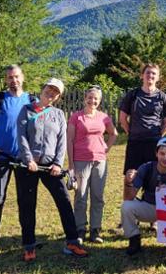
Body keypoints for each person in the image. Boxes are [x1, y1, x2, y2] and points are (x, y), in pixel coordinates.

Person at [16, 78, 88, 261]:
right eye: (49, 89)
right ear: (43, 88)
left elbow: (62, 142)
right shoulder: (26, 110)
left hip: (51, 167)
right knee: (27, 204)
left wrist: (57, 163)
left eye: (56, 92)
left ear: (59, 96)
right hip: (28, 166)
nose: (51, 93)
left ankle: (72, 242)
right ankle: (29, 246)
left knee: (64, 201)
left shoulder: (58, 115)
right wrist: (28, 159)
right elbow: (21, 137)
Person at [0, 64, 36, 255]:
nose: (14, 81)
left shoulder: (32, 100)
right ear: (6, 80)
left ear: (23, 77)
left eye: (17, 77)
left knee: (25, 201)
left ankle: (28, 242)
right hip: (1, 157)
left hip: (24, 159)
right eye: (10, 77)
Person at [67, 85, 118, 244]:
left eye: (96, 98)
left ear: (99, 100)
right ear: (84, 99)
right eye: (90, 97)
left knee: (98, 196)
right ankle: (80, 229)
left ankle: (95, 230)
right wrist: (71, 165)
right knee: (80, 196)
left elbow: (113, 133)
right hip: (80, 160)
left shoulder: (104, 117)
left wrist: (106, 149)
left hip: (99, 161)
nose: (92, 101)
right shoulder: (76, 117)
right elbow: (69, 140)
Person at [121, 137, 166, 256]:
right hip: (149, 206)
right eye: (162, 153)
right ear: (156, 153)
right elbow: (128, 198)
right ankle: (134, 239)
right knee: (127, 206)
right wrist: (128, 182)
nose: (165, 158)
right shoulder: (146, 168)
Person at [118, 63, 166, 202]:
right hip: (135, 142)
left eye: (154, 73)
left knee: (154, 177)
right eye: (148, 72)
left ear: (158, 77)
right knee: (130, 177)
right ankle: (128, 212)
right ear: (142, 75)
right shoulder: (133, 95)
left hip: (154, 144)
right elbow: (122, 118)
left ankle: (154, 217)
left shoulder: (163, 97)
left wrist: (158, 137)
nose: (150, 75)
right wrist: (131, 132)